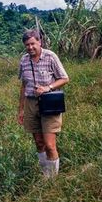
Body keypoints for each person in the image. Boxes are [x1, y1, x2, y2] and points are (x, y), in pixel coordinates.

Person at [17, 29, 69, 178]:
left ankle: (53, 180)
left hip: (49, 103)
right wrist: (21, 110)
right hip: (31, 104)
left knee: (50, 145)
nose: (30, 47)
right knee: (39, 143)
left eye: (33, 43)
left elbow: (65, 78)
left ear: (39, 42)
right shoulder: (24, 60)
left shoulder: (50, 57)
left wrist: (48, 88)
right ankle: (45, 174)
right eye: (27, 45)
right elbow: (24, 85)